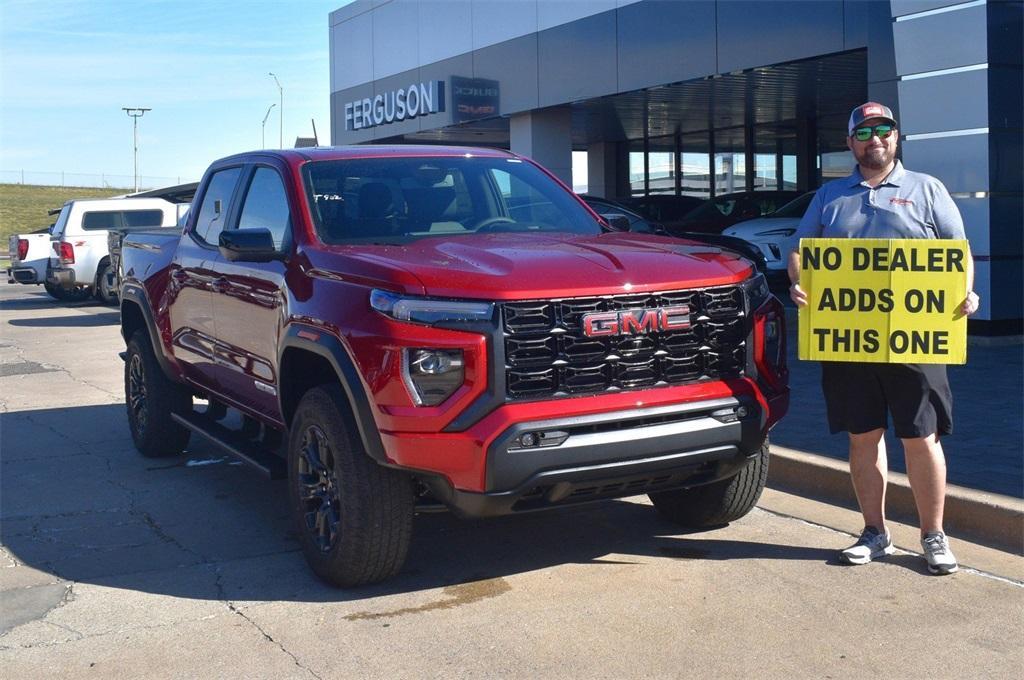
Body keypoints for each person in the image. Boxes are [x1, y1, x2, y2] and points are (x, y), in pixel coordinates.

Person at [788, 101, 980, 575]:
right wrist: (799, 282)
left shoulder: (927, 190)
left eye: (885, 130)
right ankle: (874, 532)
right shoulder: (829, 197)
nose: (876, 138)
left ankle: (933, 536)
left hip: (916, 339)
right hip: (849, 341)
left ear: (897, 138)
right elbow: (800, 251)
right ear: (851, 141)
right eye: (865, 131)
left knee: (922, 437)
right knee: (863, 438)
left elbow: (958, 252)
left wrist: (965, 292)